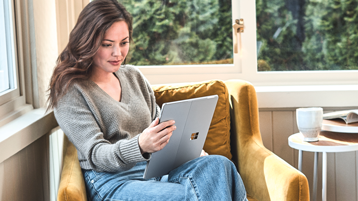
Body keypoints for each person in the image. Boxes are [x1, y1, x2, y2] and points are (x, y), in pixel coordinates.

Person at [48, 0, 248, 200]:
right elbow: (96, 155)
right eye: (107, 45)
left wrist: (193, 151)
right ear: (87, 41)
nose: (118, 53)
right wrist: (140, 146)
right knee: (187, 195)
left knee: (220, 165)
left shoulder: (133, 76)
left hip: (156, 171)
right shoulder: (70, 91)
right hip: (113, 181)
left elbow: (161, 126)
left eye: (124, 42)